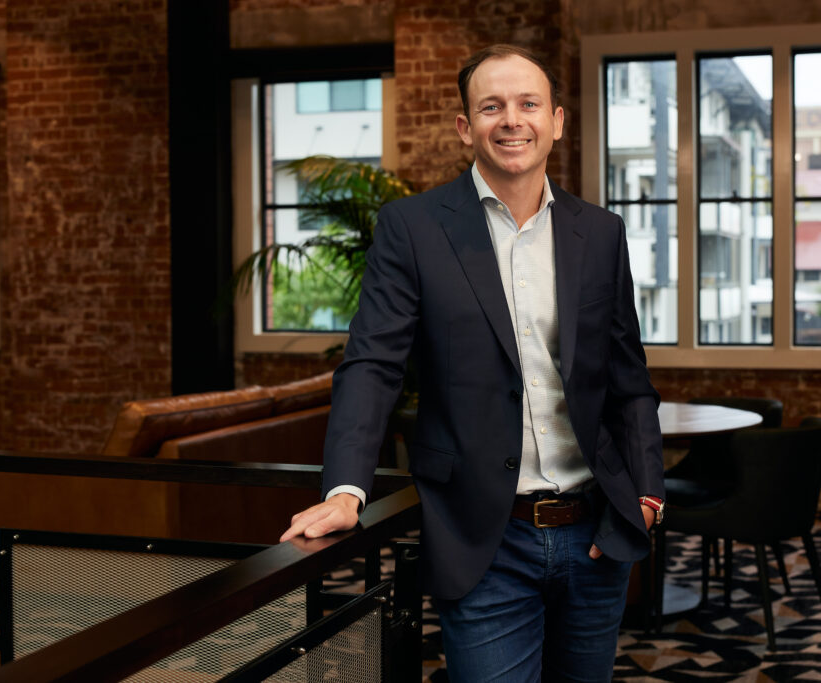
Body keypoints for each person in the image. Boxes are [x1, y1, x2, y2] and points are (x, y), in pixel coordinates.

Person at [281, 44, 665, 682]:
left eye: (528, 104)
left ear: (558, 121)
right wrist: (347, 489)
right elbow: (372, 364)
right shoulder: (412, 227)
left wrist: (646, 493)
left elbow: (628, 378)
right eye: (492, 106)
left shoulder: (599, 232)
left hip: (595, 528)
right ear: (466, 127)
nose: (511, 120)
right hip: (484, 536)